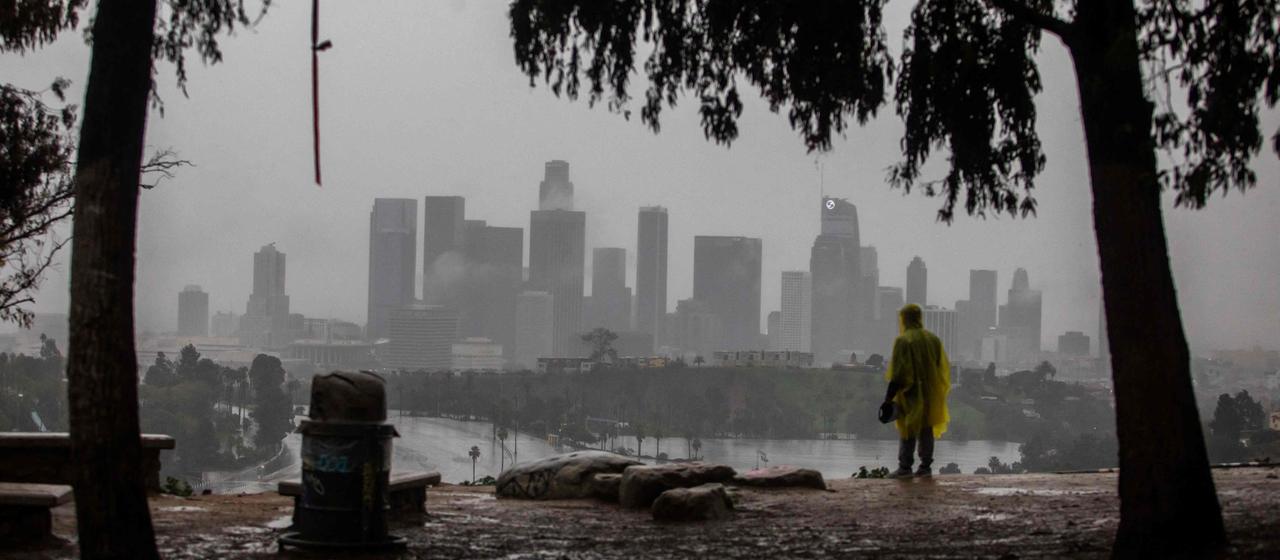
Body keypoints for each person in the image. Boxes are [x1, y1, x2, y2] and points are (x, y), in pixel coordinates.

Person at [880, 303, 951, 478]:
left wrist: (888, 399)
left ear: (904, 319)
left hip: (909, 393)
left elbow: (897, 373)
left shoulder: (903, 340)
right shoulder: (933, 339)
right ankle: (925, 468)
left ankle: (905, 467)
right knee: (926, 429)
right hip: (931, 392)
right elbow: (940, 367)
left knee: (908, 429)